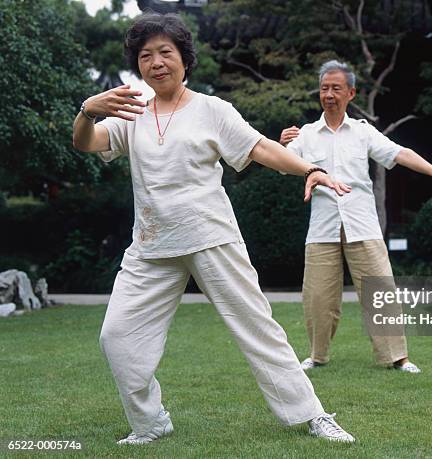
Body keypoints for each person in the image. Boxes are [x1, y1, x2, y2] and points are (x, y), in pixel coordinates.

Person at [72, 14, 355, 445]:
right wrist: (86, 111)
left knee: (257, 328)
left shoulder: (212, 109)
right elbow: (86, 142)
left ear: (184, 58)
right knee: (117, 336)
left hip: (211, 237)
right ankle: (150, 422)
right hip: (150, 245)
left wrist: (309, 169)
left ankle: (313, 415)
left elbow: (260, 147)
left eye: (166, 52)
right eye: (146, 56)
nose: (156, 62)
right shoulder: (131, 113)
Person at [279, 60, 432, 373]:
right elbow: (283, 164)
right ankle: (317, 355)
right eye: (324, 88)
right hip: (322, 227)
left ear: (351, 93)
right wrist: (282, 145)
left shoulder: (363, 133)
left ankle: (397, 357)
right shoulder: (307, 135)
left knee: (381, 292)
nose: (329, 94)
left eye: (336, 88)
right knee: (317, 297)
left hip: (361, 223)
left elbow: (398, 153)